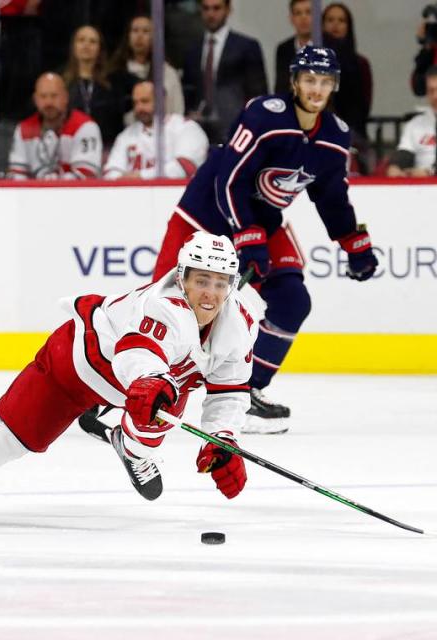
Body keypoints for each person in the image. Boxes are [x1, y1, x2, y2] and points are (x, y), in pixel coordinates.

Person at [0, 232, 253, 517]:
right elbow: (138, 354)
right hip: (75, 367)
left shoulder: (239, 322)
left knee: (151, 423)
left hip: (147, 386)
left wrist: (225, 440)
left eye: (220, 283)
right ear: (182, 278)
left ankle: (129, 444)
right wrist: (147, 382)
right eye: (201, 281)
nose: (210, 294)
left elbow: (229, 389)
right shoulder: (163, 307)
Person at [151, 46, 378, 434]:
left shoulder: (335, 137)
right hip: (205, 214)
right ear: (294, 82)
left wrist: (354, 244)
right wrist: (247, 239)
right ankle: (118, 389)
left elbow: (332, 198)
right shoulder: (265, 116)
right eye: (309, 80)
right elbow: (229, 179)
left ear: (334, 86)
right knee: (164, 308)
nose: (316, 89)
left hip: (262, 222)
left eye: (325, 81)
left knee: (292, 300)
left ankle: (244, 393)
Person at [181, 0, 268, 144]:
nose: (211, 14)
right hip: (198, 131)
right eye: (206, 8)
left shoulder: (246, 47)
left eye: (216, 8)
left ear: (228, 10)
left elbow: (258, 94)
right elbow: (188, 91)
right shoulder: (192, 50)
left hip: (236, 128)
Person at [103, 81, 208, 180]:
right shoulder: (126, 135)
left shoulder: (187, 128)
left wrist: (140, 176)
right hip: (134, 196)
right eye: (135, 103)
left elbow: (185, 168)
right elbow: (110, 172)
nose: (139, 108)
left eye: (145, 101)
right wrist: (124, 179)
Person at [7, 71, 102, 180]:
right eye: (43, 96)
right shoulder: (23, 129)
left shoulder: (85, 126)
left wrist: (49, 186)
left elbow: (86, 175)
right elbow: (16, 175)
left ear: (66, 97)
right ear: (35, 99)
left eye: (54, 96)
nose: (49, 102)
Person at [61, 24, 135, 148]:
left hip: (108, 148)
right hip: (71, 148)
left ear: (100, 49)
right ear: (73, 46)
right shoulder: (61, 82)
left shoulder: (115, 80)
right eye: (81, 40)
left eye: (92, 41)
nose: (86, 45)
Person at [110, 14, 185, 122]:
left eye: (146, 31)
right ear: (128, 36)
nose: (139, 36)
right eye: (135, 30)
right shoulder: (115, 74)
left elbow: (177, 111)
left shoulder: (167, 73)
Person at [321, 3, 372, 143]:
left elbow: (364, 106)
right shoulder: (313, 61)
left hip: (351, 134)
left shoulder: (360, 64)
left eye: (341, 20)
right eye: (330, 20)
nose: (335, 24)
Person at [274, 0, 312, 94]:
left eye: (308, 12)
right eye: (298, 13)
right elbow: (281, 88)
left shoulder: (330, 46)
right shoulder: (283, 49)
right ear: (291, 18)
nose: (303, 17)